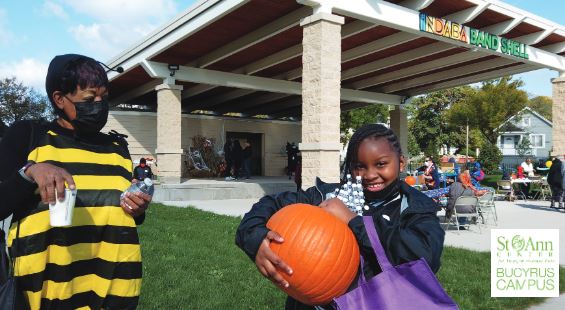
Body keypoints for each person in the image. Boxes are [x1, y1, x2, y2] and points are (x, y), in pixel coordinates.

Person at [235, 124, 445, 309]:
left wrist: (354, 221)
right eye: (359, 166)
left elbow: (425, 257)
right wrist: (256, 238)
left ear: (400, 163)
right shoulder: (326, 197)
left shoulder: (414, 207)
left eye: (381, 164)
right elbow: (269, 204)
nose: (370, 174)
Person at [0, 54, 151, 309]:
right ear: (59, 99)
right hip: (45, 289)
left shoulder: (117, 147)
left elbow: (126, 212)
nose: (99, 105)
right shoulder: (29, 136)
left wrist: (138, 209)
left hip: (112, 287)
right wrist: (30, 172)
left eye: (104, 98)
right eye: (90, 99)